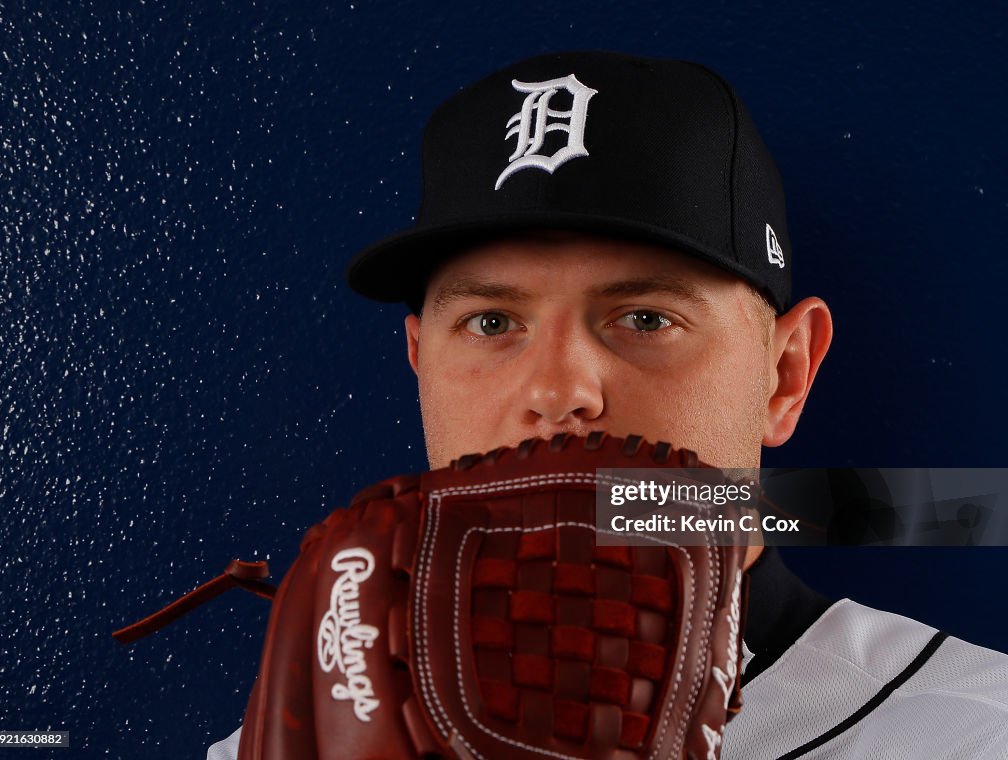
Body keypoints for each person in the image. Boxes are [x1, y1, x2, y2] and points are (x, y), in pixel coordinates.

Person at [208, 51, 1008, 760]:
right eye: (492, 323)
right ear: (420, 363)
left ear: (785, 375)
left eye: (645, 319)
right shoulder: (278, 749)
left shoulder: (977, 732)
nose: (559, 392)